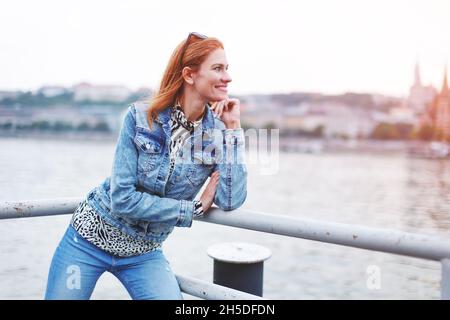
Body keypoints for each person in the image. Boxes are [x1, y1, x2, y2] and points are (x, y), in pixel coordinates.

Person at [44, 32, 247, 300]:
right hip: (87, 241)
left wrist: (233, 129)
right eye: (218, 68)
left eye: (227, 69)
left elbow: (230, 200)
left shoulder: (218, 133)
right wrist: (191, 208)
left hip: (144, 253)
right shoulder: (141, 118)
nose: (227, 77)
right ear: (189, 75)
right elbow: (122, 199)